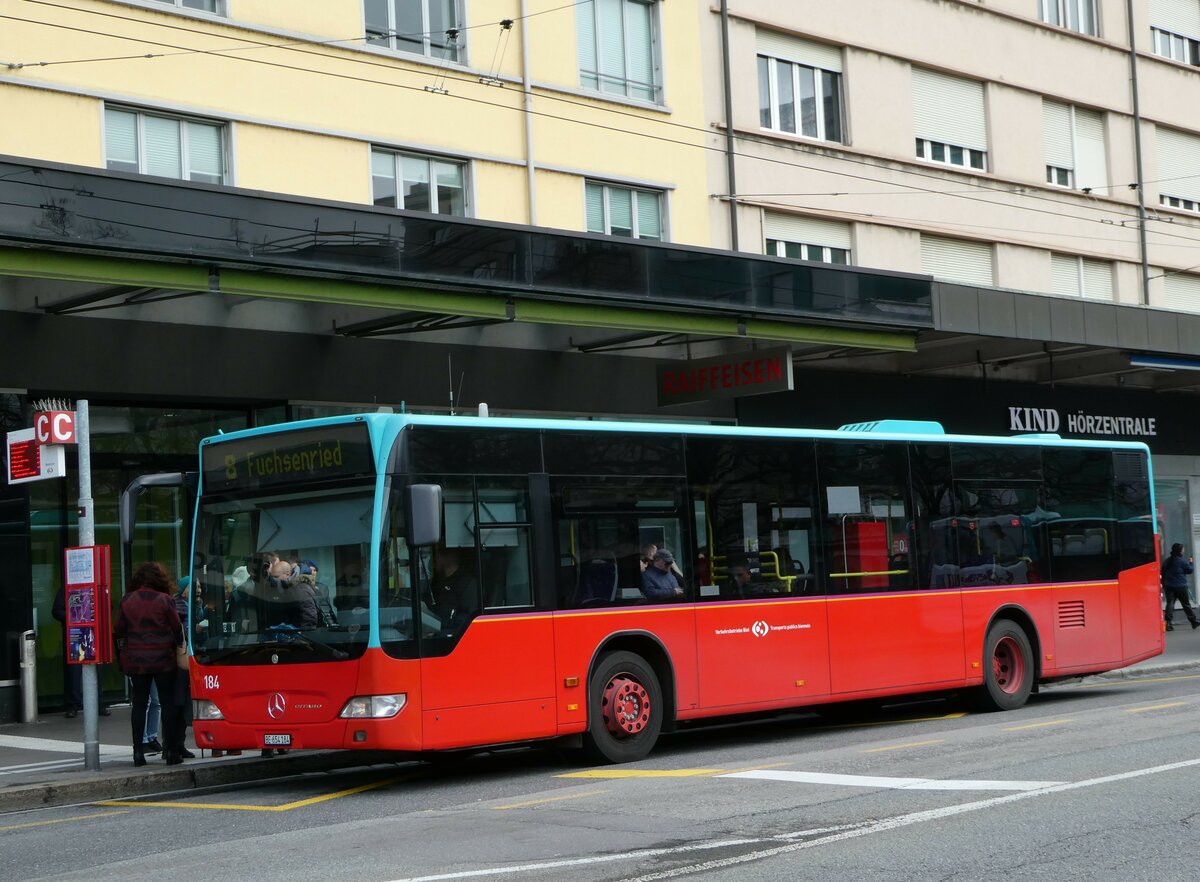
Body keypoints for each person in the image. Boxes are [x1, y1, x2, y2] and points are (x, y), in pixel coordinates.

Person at [113, 561, 184, 766]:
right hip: (163, 660)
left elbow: (118, 629)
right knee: (167, 703)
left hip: (137, 660)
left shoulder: (127, 601)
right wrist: (178, 645)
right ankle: (171, 752)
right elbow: (177, 628)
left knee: (139, 704)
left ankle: (138, 752)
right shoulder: (165, 600)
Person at [51, 586, 110, 718]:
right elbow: (56, 611)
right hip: (76, 634)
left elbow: (107, 607)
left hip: (91, 633)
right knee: (74, 672)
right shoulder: (67, 588)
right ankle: (73, 704)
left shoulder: (95, 588)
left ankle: (98, 703)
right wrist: (74, 617)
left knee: (96, 670)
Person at [425, 547, 478, 627]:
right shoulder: (437, 582)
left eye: (438, 555)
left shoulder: (466, 583)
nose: (435, 559)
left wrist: (441, 626)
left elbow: (468, 617)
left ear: (447, 557)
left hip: (452, 633)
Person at [1162, 542, 1199, 631]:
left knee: (1170, 604)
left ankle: (1168, 623)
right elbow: (1189, 570)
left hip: (1169, 586)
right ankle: (1193, 622)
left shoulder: (1167, 561)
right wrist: (1191, 562)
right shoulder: (1182, 561)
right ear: (1179, 551)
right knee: (1186, 604)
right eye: (1182, 549)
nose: (1183, 551)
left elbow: (1162, 572)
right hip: (1180, 586)